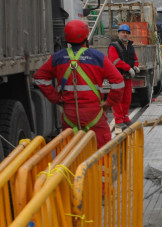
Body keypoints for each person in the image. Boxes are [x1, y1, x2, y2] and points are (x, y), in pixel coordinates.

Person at [34, 19, 124, 148]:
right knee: (101, 155)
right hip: (94, 114)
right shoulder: (97, 57)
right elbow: (118, 81)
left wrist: (56, 98)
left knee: (71, 154)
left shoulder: (58, 58)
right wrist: (109, 102)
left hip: (69, 115)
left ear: (66, 37)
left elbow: (39, 78)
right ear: (86, 36)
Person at [108, 24, 140, 130]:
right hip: (117, 77)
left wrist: (136, 66)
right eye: (122, 32)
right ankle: (118, 120)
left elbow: (135, 59)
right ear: (118, 34)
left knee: (127, 98)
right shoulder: (114, 46)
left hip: (127, 77)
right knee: (118, 100)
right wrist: (128, 68)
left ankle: (125, 117)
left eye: (126, 33)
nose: (124, 34)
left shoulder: (130, 46)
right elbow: (115, 61)